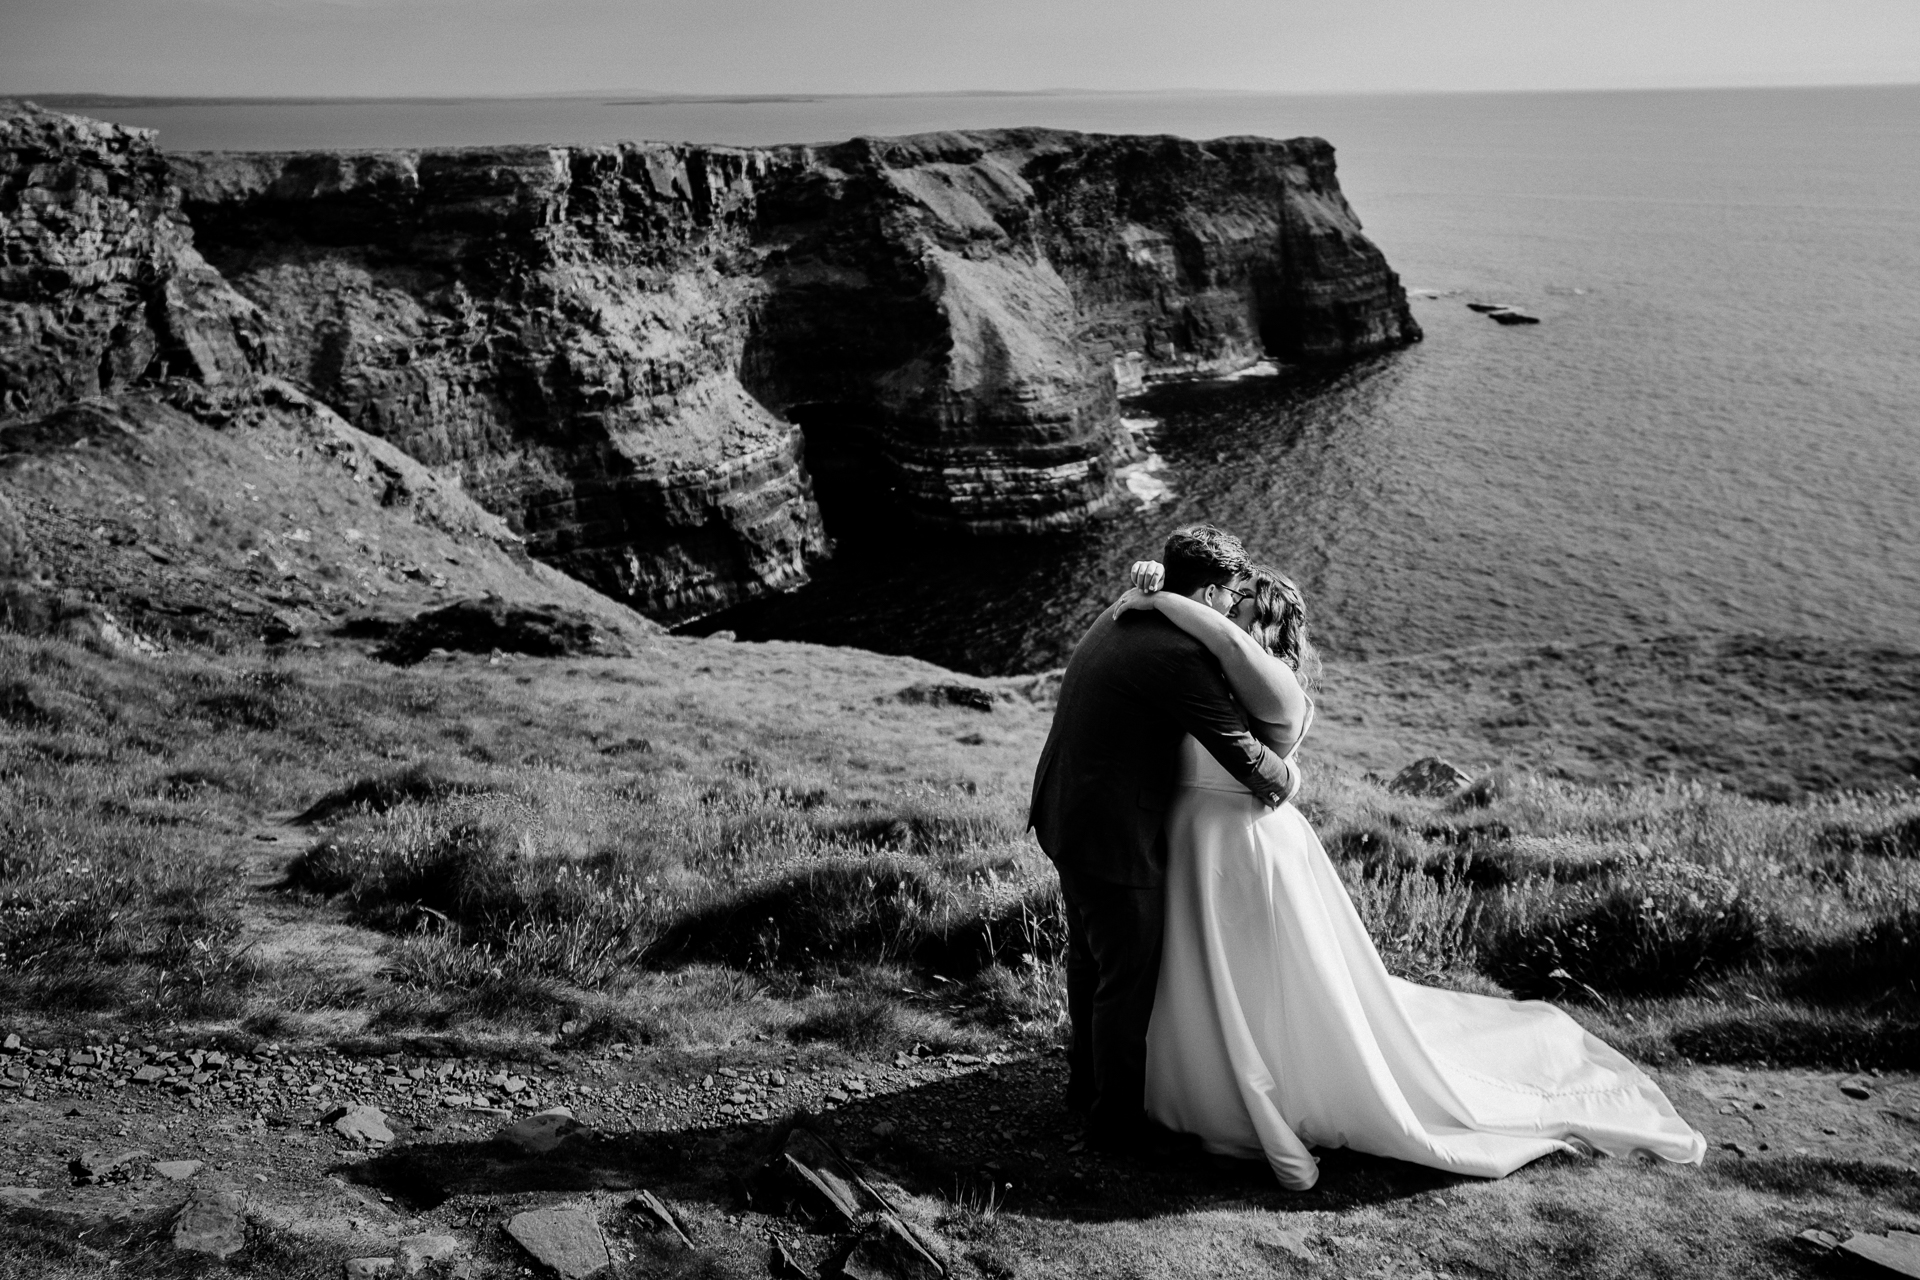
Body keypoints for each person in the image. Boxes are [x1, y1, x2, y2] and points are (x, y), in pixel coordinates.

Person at [1111, 559, 1706, 1189]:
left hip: (1244, 850)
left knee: (1255, 980)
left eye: (1244, 606)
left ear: (1269, 626)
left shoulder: (1275, 689)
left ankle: (1264, 1097)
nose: (1229, 611)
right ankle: (1195, 1088)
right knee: (1203, 975)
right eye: (1230, 601)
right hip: (1193, 843)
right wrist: (1156, 581)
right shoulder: (1213, 675)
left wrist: (1159, 602)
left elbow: (1225, 649)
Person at [1027, 525, 1299, 1151]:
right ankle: (1114, 1127)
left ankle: (1084, 1086)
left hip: (1066, 814)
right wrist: (1289, 780)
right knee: (1125, 978)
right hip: (1114, 837)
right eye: (1232, 597)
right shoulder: (1178, 656)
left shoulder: (1121, 612)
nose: (1234, 611)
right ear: (1209, 592)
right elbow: (1242, 755)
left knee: (1090, 961)